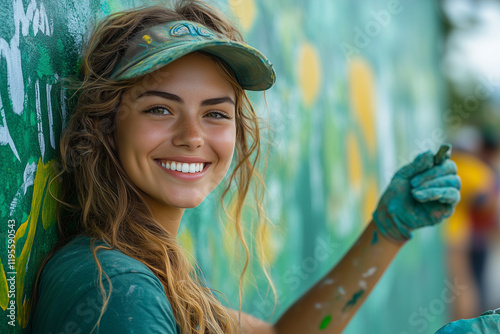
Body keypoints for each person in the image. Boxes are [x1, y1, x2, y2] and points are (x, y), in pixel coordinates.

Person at [28, 0, 461, 333]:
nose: (192, 135)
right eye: (160, 109)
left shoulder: (148, 264)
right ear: (107, 125)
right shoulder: (118, 291)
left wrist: (387, 233)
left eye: (215, 113)